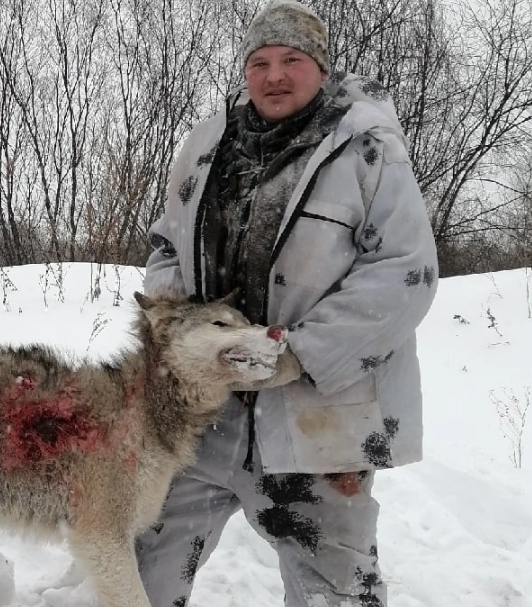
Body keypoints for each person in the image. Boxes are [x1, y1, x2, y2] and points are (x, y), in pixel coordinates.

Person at [136, 1, 438, 606]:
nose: (274, 75)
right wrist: (174, 328)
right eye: (261, 62)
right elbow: (167, 244)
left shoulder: (365, 149)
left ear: (320, 69)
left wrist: (298, 355)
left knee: (335, 591)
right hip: (207, 412)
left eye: (292, 60)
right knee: (143, 570)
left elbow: (406, 271)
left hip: (315, 420)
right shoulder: (206, 145)